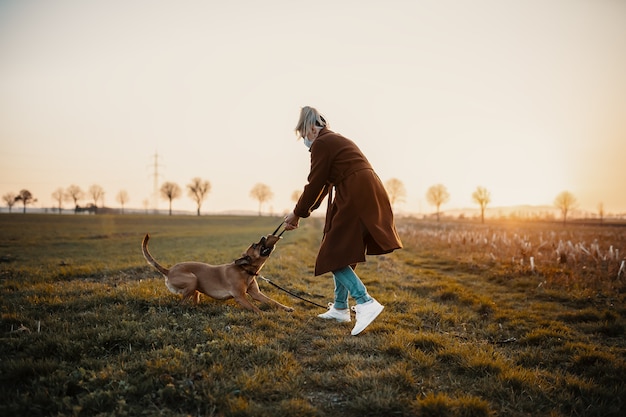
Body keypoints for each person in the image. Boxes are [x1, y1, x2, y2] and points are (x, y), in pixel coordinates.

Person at [284, 106, 402, 335]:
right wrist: (304, 212)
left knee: (332, 253)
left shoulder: (322, 143)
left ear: (309, 127)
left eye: (304, 135)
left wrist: (297, 213)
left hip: (356, 192)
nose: (305, 142)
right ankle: (339, 308)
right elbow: (325, 186)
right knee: (342, 250)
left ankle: (365, 301)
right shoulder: (333, 140)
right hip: (362, 189)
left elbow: (314, 184)